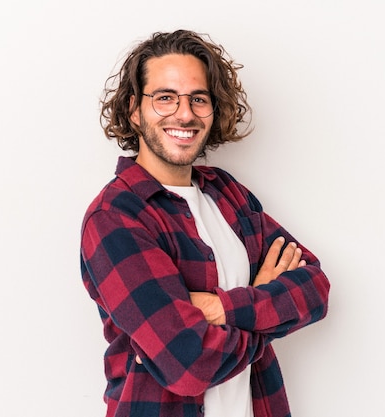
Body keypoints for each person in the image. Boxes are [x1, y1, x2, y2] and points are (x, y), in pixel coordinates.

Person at [80, 29, 330, 417]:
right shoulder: (116, 217)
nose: (185, 114)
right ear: (133, 109)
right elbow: (187, 364)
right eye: (165, 98)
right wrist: (263, 303)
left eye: (198, 99)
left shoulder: (227, 193)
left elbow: (314, 289)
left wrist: (219, 309)